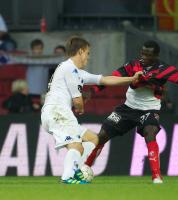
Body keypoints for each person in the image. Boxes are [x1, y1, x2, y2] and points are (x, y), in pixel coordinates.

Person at [84, 40, 178, 184]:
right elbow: (112, 78)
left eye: (148, 55)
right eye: (142, 53)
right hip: (128, 108)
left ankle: (156, 176)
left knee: (150, 132)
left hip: (149, 109)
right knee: (102, 135)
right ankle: (85, 168)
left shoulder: (165, 70)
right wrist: (92, 91)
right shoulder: (133, 65)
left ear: (156, 56)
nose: (144, 57)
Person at [41, 36, 141, 184]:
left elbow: (106, 79)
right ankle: (68, 177)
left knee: (94, 139)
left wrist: (131, 79)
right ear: (80, 51)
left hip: (57, 113)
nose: (88, 57)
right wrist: (80, 107)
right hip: (57, 111)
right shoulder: (69, 68)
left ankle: (77, 171)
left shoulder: (77, 72)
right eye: (87, 53)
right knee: (76, 146)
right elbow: (77, 101)